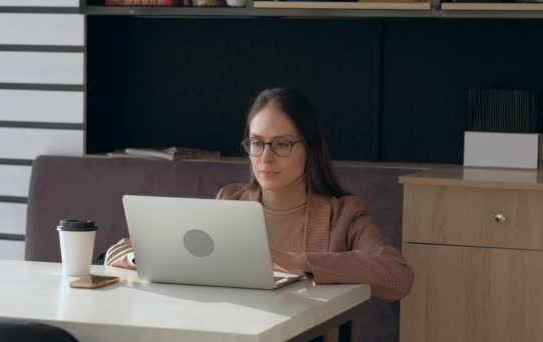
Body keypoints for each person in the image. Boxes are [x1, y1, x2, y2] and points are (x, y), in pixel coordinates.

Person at [106, 88, 413, 301]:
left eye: (281, 144)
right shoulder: (231, 201)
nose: (265, 158)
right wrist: (150, 256)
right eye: (256, 142)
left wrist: (300, 261)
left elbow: (398, 278)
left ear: (310, 148)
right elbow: (115, 254)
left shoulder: (344, 213)